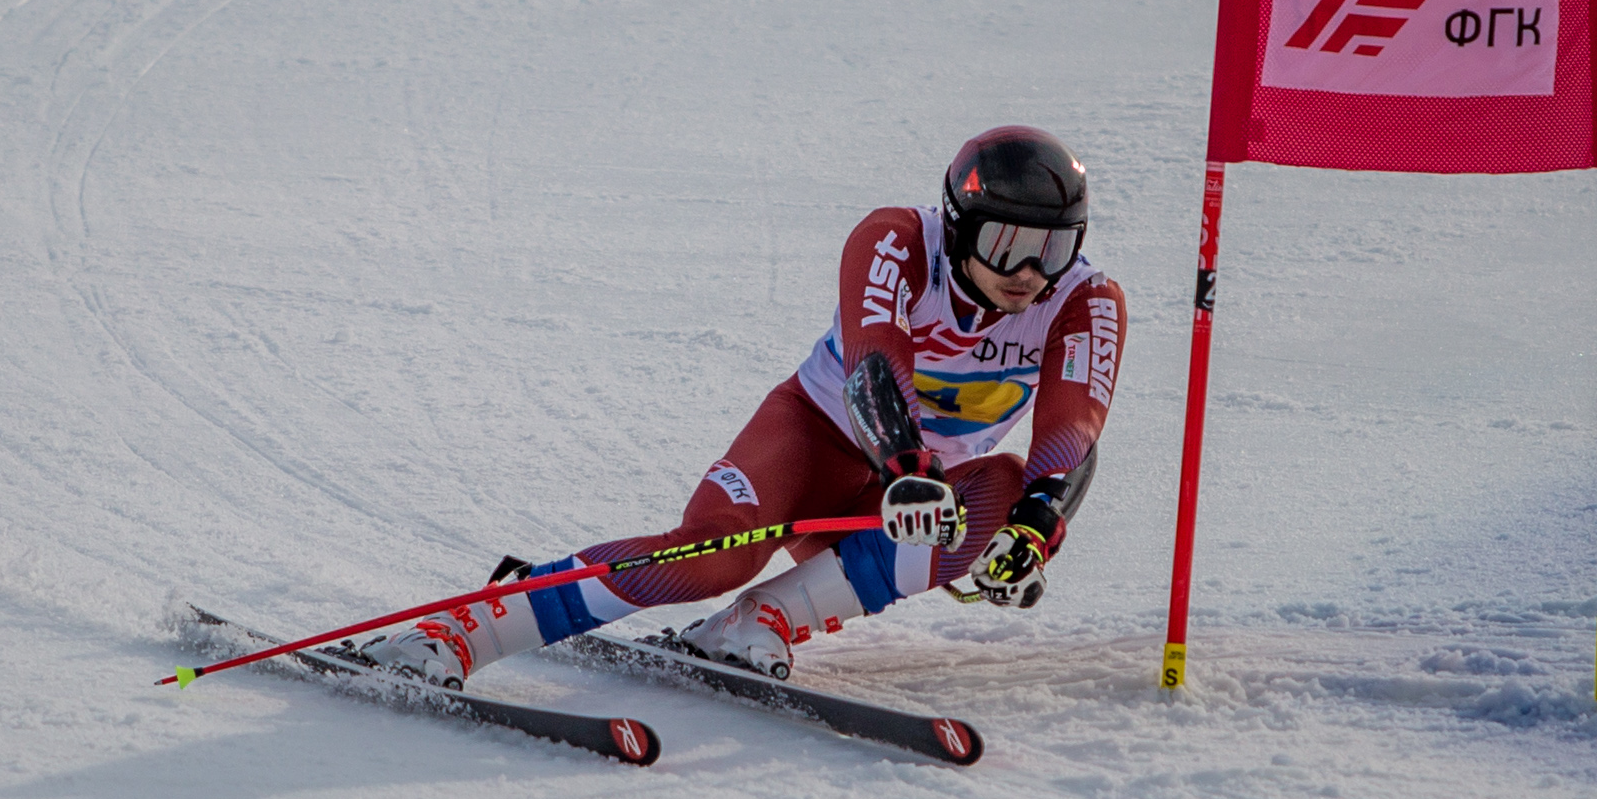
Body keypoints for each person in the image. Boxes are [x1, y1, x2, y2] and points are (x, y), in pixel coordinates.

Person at [357, 125, 1123, 688]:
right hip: (821, 438)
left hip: (904, 495)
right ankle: (465, 630)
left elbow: (1072, 433)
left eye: (1051, 249)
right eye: (1006, 244)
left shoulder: (1084, 301)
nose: (1028, 272)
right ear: (960, 228)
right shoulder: (896, 240)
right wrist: (906, 469)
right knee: (714, 556)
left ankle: (764, 620)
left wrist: (1037, 526)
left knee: (999, 493)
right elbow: (873, 364)